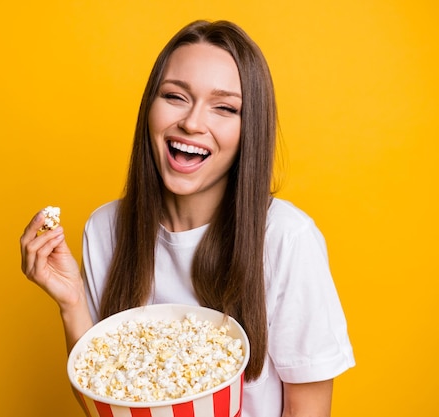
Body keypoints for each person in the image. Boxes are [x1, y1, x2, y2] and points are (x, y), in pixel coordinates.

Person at [20, 19, 355, 417]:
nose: (193, 123)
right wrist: (72, 302)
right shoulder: (105, 229)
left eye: (225, 107)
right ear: (150, 106)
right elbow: (104, 404)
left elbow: (309, 411)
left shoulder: (285, 238)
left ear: (250, 130)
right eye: (175, 96)